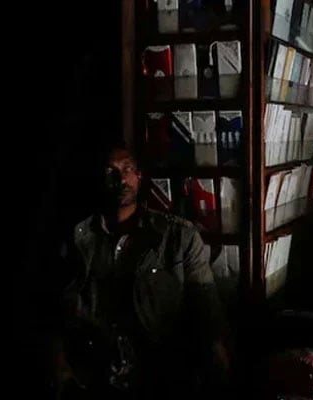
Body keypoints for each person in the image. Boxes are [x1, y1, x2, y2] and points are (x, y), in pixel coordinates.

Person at [54, 145, 231, 399]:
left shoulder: (177, 236)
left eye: (127, 170)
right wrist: (61, 367)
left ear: (139, 175)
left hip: (158, 373)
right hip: (96, 374)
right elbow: (59, 310)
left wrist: (217, 361)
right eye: (110, 172)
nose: (121, 179)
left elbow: (208, 309)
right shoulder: (80, 238)